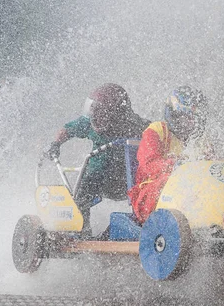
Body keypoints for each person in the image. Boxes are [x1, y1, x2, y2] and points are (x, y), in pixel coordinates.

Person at [45, 83, 150, 234]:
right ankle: (81, 231)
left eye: (101, 113)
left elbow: (155, 130)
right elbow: (67, 130)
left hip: (127, 179)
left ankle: (147, 223)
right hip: (99, 177)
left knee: (151, 183)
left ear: (115, 114)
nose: (94, 117)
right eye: (93, 110)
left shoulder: (134, 124)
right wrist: (56, 144)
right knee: (82, 192)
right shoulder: (89, 121)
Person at [127, 86, 210, 224]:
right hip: (150, 195)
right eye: (186, 118)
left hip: (191, 194)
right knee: (180, 182)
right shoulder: (157, 130)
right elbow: (149, 165)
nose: (190, 123)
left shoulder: (201, 140)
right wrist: (177, 166)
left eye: (194, 119)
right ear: (174, 115)